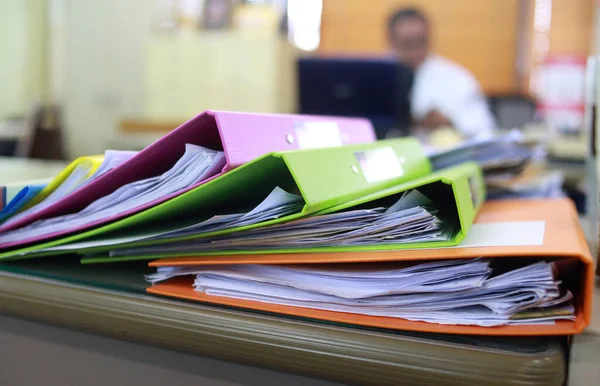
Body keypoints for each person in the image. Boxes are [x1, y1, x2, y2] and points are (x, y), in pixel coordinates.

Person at [388, 7, 496, 139]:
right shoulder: (376, 77)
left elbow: (485, 131)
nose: (415, 52)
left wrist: (449, 124)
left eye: (421, 43)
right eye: (407, 44)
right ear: (391, 41)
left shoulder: (458, 78)